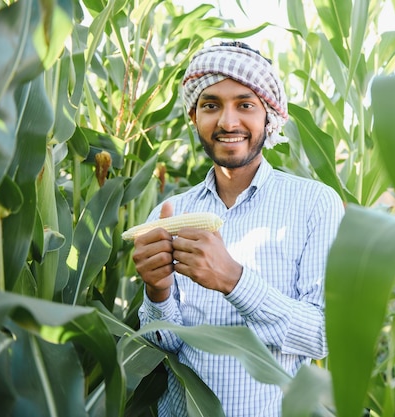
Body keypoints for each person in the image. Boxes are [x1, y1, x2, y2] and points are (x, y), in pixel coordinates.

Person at [133, 41, 345, 417]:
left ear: (269, 116)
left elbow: (322, 335)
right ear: (194, 117)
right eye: (211, 105)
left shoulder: (315, 203)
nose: (228, 122)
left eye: (245, 105)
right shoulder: (170, 212)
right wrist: (158, 292)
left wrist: (233, 280)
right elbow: (159, 347)